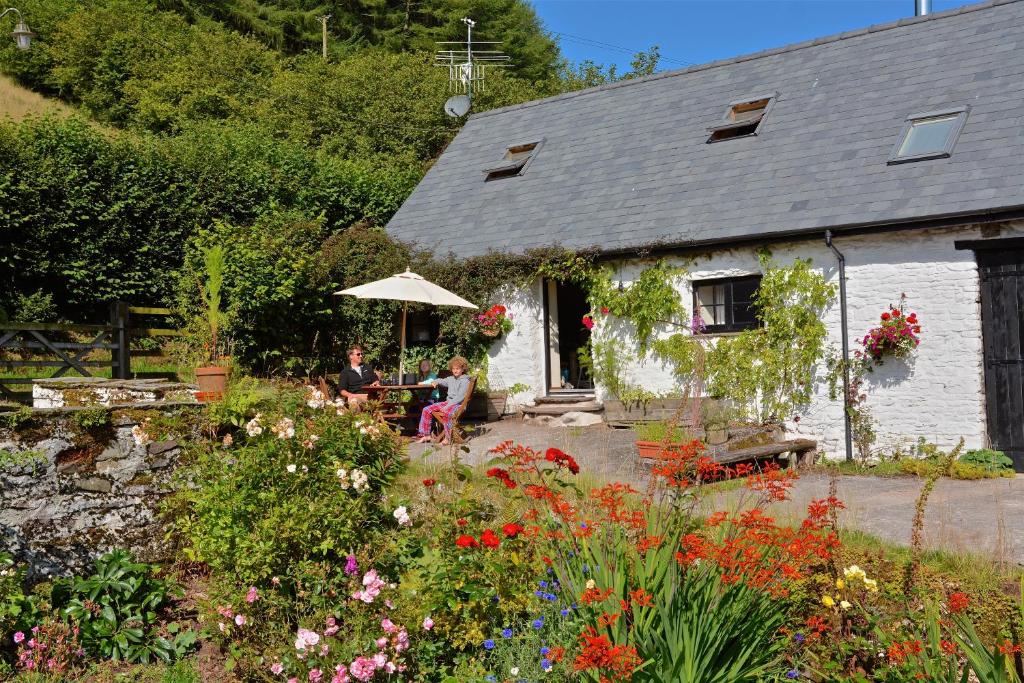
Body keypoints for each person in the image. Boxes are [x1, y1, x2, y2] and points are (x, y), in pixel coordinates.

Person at [415, 356, 472, 445]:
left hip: (459, 405)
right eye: (453, 369)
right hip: (448, 403)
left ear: (463, 369)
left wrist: (447, 406)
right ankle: (425, 435)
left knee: (447, 413)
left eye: (457, 368)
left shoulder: (465, 381)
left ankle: (447, 438)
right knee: (426, 409)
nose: (455, 371)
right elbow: (441, 380)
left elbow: (460, 397)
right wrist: (436, 382)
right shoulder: (451, 378)